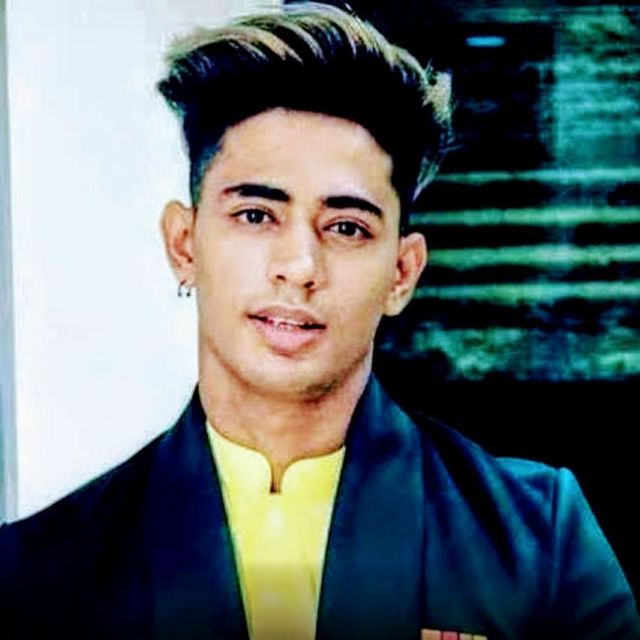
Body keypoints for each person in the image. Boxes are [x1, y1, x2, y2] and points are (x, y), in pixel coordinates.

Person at [0, 3, 638, 639]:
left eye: (346, 227)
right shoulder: (37, 575)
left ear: (402, 272)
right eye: (256, 216)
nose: (300, 267)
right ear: (185, 245)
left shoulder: (537, 545)